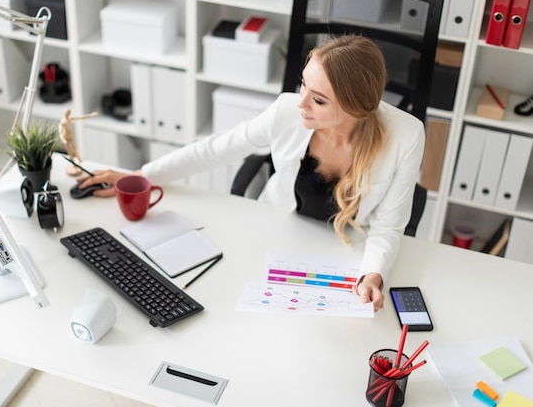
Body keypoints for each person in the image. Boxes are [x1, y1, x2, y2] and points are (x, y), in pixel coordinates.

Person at [76, 35, 425, 312]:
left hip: (345, 251)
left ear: (354, 107)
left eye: (318, 100)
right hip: (277, 235)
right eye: (303, 85)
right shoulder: (289, 110)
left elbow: (388, 226)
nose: (300, 102)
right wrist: (140, 177)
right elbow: (216, 148)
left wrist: (373, 276)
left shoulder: (406, 136)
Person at [58, 108, 99, 175]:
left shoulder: (70, 119)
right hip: (65, 138)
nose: (68, 114)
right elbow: (60, 131)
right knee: (69, 151)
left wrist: (91, 115)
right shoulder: (62, 122)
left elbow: (81, 117)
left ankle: (79, 159)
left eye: (69, 113)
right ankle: (73, 162)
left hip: (70, 135)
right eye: (68, 113)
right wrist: (63, 139)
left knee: (74, 148)